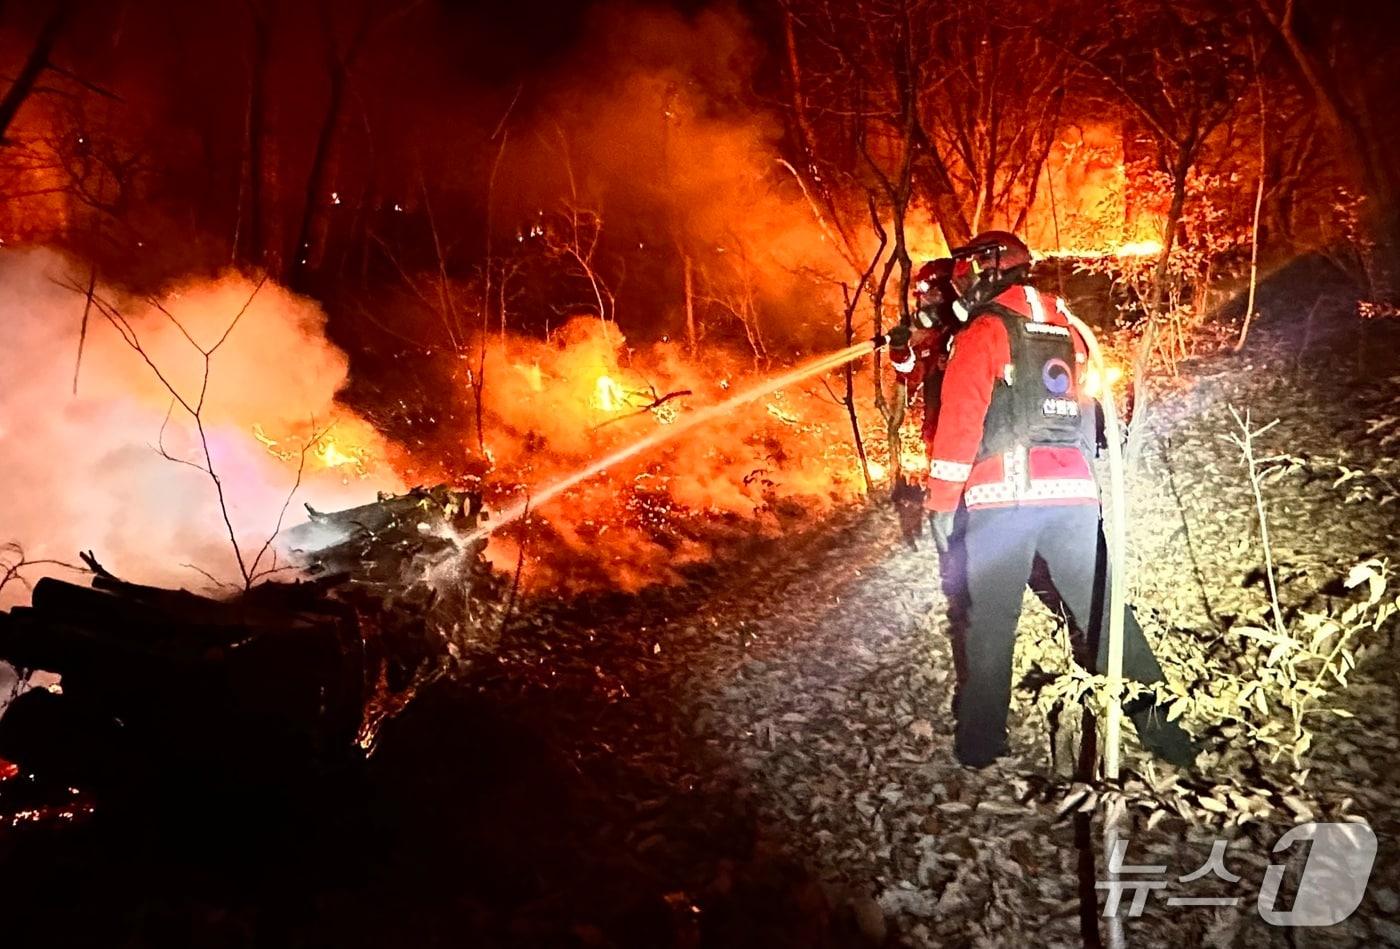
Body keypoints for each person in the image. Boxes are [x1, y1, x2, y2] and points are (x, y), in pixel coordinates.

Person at [923, 230, 1196, 769]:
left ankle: (979, 746)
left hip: (1002, 500)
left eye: (965, 273)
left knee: (991, 624)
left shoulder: (983, 332)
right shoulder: (1069, 328)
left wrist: (940, 502)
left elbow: (959, 423)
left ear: (985, 271)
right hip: (1072, 499)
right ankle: (1172, 738)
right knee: (1105, 617)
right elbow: (1085, 410)